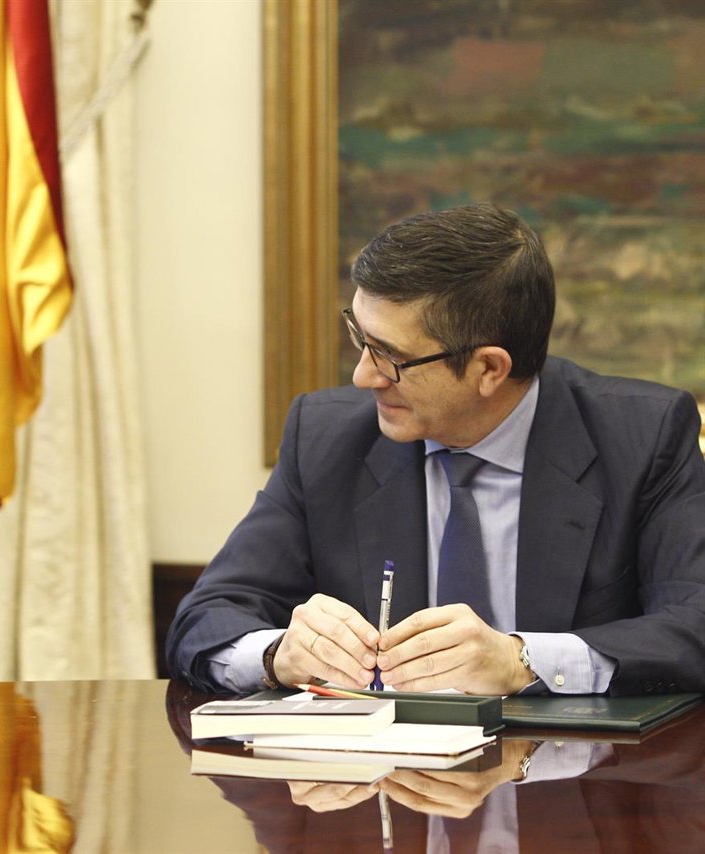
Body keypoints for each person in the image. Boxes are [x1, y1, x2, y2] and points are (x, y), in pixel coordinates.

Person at [167, 203, 705, 697]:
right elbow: (206, 619)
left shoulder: (642, 437)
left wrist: (523, 660)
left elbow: (694, 624)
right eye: (361, 339)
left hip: (578, 783)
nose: (361, 377)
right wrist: (276, 654)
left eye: (391, 357)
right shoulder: (327, 438)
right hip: (382, 789)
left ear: (489, 369)